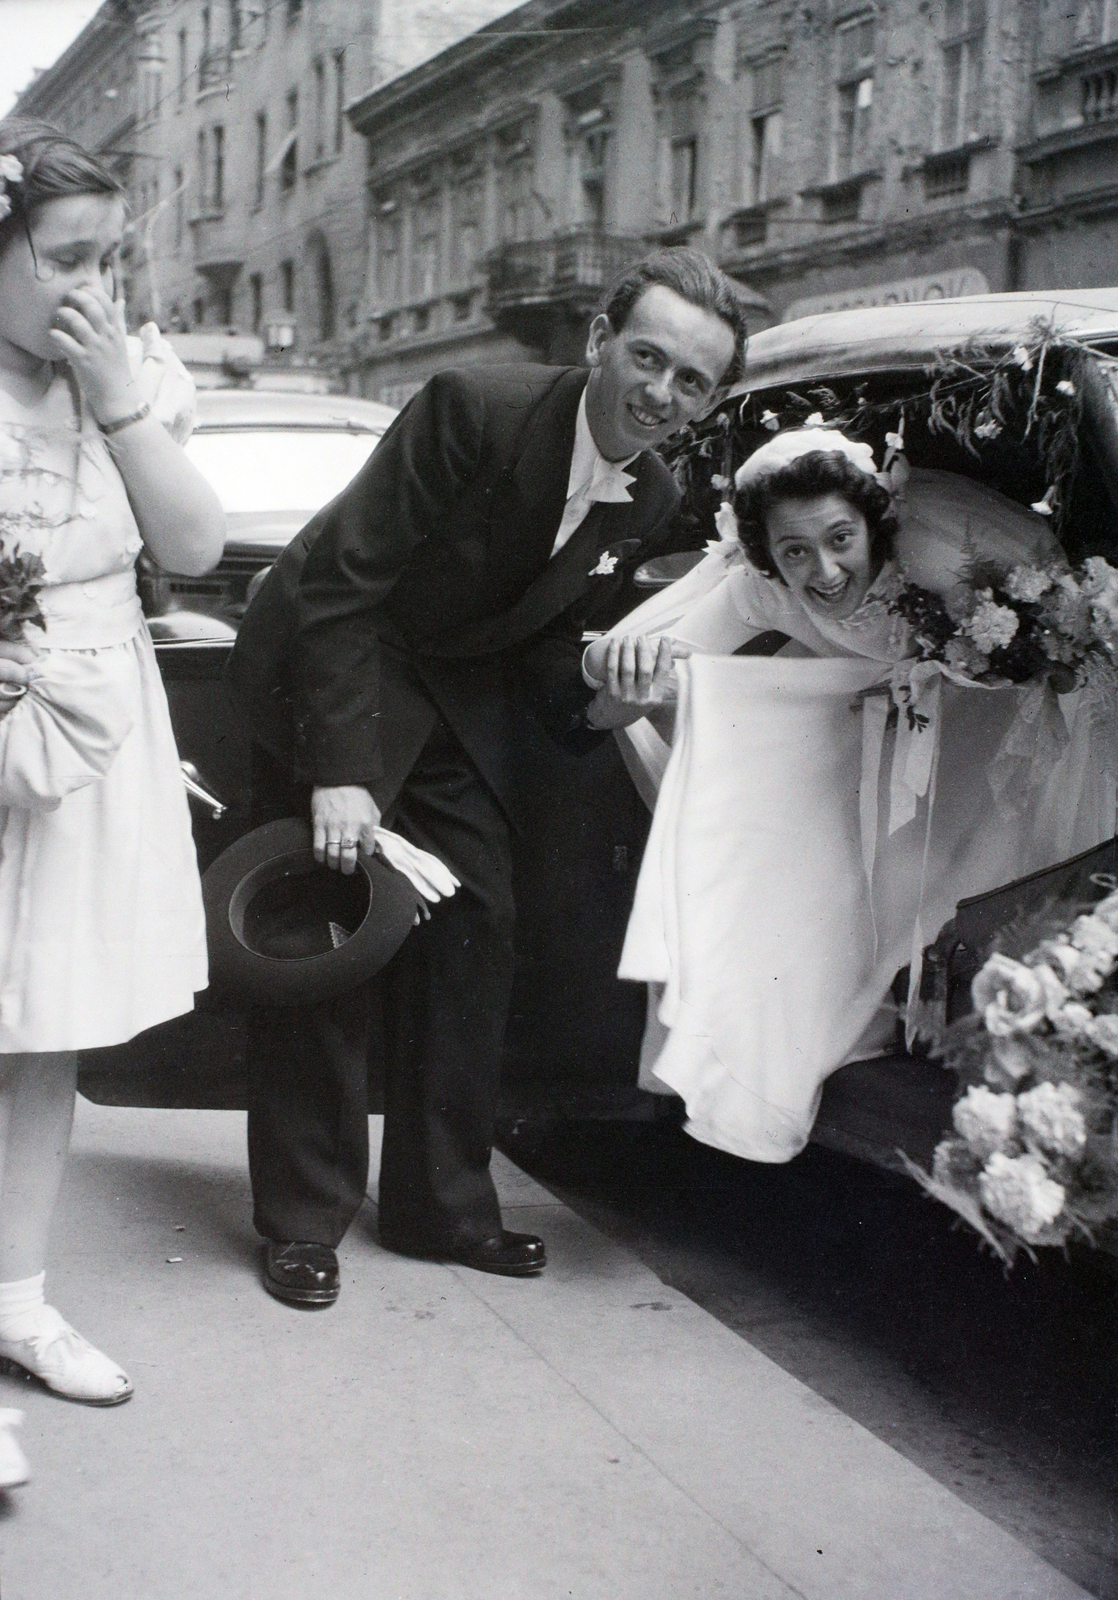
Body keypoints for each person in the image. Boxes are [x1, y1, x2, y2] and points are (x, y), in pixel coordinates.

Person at [227, 248, 747, 1305]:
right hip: (329, 659)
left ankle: (439, 1208)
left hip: (446, 690)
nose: (661, 393)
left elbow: (542, 652)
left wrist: (611, 696)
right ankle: (299, 1219)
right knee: (335, 929)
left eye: (691, 381)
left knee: (480, 921)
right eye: (646, 357)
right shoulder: (472, 404)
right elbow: (340, 588)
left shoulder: (648, 492)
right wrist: (340, 774)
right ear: (599, 342)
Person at [584, 429, 1116, 1163]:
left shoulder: (934, 554)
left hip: (1014, 701)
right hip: (900, 710)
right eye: (794, 551)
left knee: (1016, 867)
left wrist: (1003, 667)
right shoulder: (759, 587)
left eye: (840, 538)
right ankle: (890, 1018)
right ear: (767, 552)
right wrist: (623, 668)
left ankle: (1025, 1046)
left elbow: (1062, 629)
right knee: (834, 864)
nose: (825, 571)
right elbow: (649, 669)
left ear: (873, 523)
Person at [0, 119, 224, 1474]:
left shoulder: (130, 377)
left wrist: (122, 401)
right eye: (63, 259)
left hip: (85, 724)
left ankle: (16, 1303)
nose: (95, 290)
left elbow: (191, 547)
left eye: (110, 262)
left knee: (44, 1030)